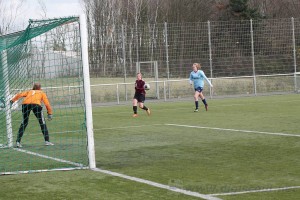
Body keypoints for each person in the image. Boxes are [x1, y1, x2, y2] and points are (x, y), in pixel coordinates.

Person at [10, 83, 54, 147]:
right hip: (36, 105)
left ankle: (18, 142)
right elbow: (47, 103)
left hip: (25, 105)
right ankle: (47, 141)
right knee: (42, 122)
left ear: (33, 87)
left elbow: (19, 94)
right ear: (40, 88)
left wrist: (12, 101)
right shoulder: (41, 93)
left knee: (24, 122)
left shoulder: (29, 91)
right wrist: (49, 113)